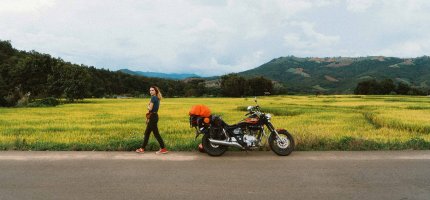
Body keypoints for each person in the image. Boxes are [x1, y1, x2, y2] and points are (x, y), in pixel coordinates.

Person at [136, 86, 168, 154]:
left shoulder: (153, 98)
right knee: (147, 133)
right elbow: (152, 110)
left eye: (152, 90)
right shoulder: (157, 98)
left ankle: (163, 148)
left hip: (153, 117)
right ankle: (142, 148)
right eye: (150, 90)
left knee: (156, 134)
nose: (151, 91)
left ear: (155, 91)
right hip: (153, 116)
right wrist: (147, 119)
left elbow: (150, 109)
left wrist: (147, 106)